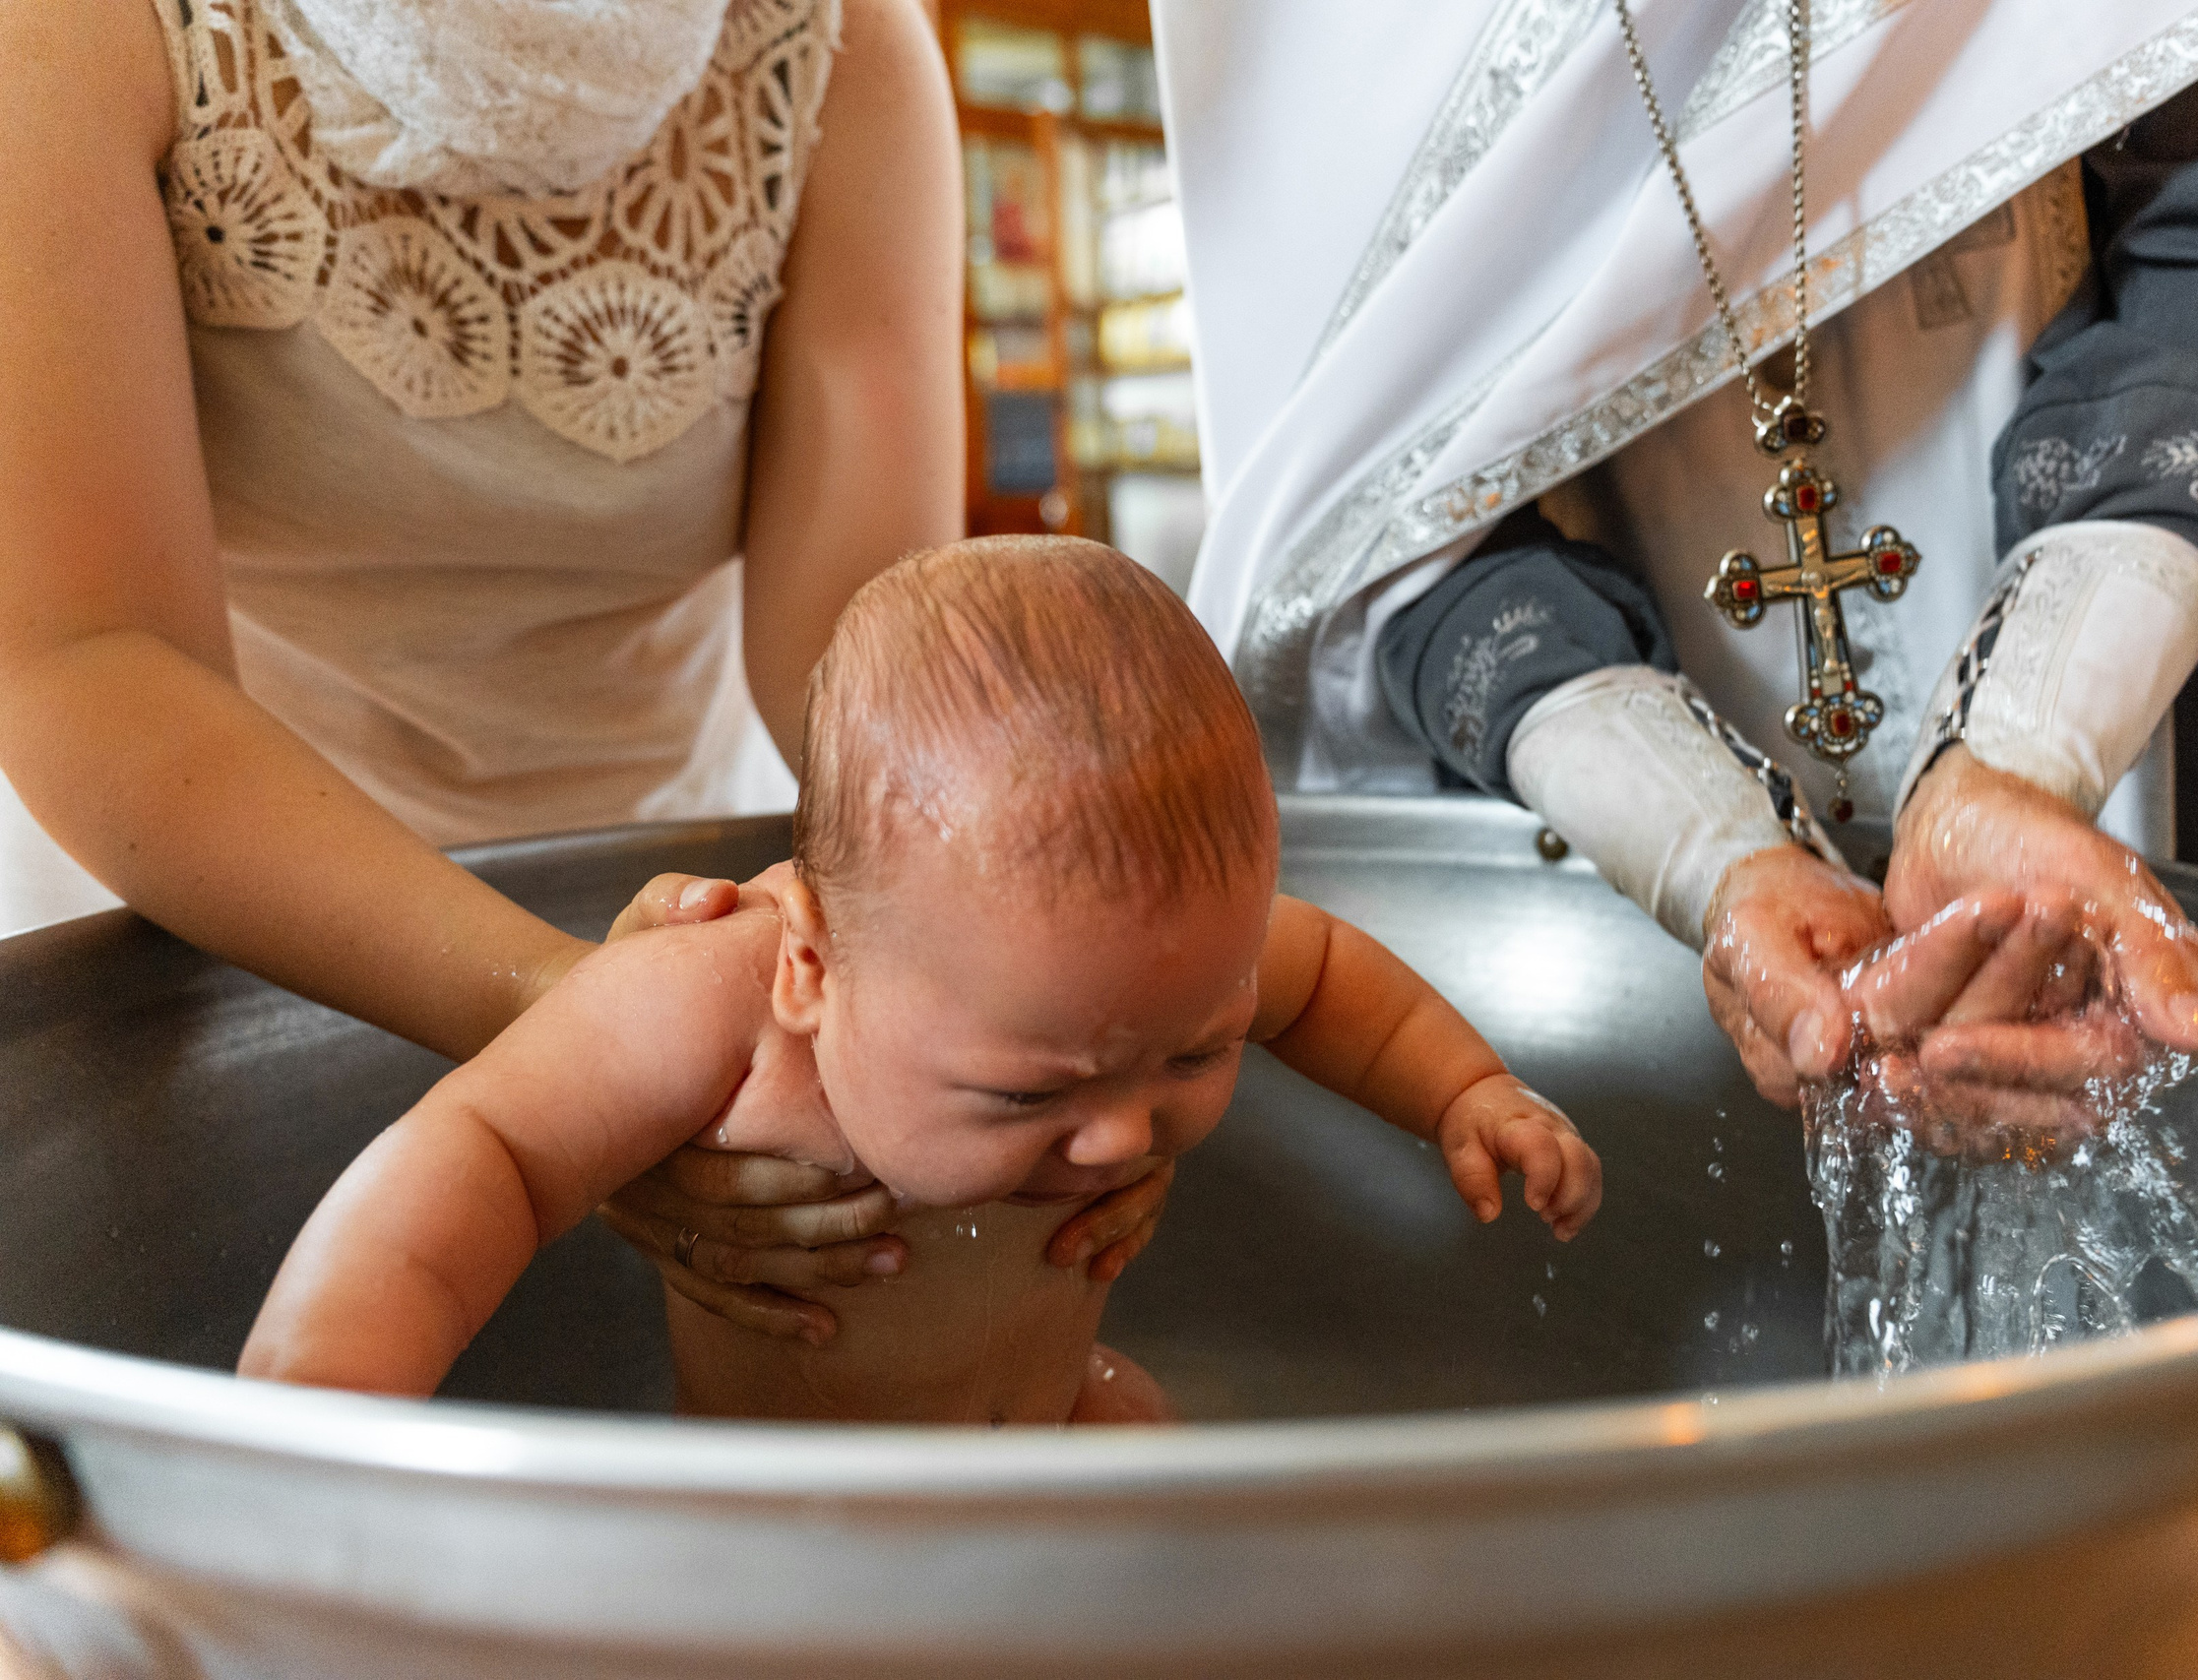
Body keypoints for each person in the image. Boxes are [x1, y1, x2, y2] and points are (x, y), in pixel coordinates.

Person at [0, 0, 1164, 1342]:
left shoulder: (842, 50)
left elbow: (857, 663)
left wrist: (1049, 955)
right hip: (187, 919)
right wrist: (577, 1028)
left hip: (653, 903)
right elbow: (93, 659)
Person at [1160, 0, 2198, 1122]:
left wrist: (2031, 743)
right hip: (1569, 895)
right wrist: (1706, 854)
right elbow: (1362, 495)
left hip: (2168, 692)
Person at [238, 539, 1603, 1423]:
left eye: (1194, 1056)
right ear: (813, 967)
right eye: (1032, 1089)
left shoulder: (1120, 982)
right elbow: (476, 1154)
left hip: (1057, 1428)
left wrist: (1464, 1089)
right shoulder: (712, 1005)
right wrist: (319, 1406)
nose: (1125, 1137)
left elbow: (1322, 976)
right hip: (787, 1534)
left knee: (1153, 1456)